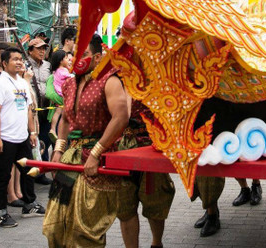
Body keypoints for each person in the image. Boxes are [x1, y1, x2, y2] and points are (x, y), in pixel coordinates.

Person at [42, 34, 130, 248]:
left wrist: (96, 153)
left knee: (86, 230)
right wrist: (58, 150)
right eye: (74, 54)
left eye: (85, 54)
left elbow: (121, 118)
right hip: (71, 156)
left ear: (98, 57)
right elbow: (64, 118)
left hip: (98, 159)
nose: (77, 59)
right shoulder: (70, 84)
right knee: (55, 225)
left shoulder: (110, 81)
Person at [0, 46, 45, 228]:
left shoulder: (22, 83)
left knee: (30, 171)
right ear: (4, 63)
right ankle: (0, 213)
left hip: (22, 137)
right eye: (15, 59)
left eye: (21, 59)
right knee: (2, 176)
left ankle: (29, 204)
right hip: (4, 137)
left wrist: (32, 132)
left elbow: (28, 109)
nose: (19, 62)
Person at [117, 99, 175, 248]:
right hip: (121, 147)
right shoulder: (113, 80)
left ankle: (157, 243)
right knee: (124, 205)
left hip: (152, 144)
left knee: (155, 199)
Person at [25, 38, 52, 172]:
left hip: (47, 108)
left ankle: (43, 168)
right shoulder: (25, 65)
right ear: (30, 51)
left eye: (43, 48)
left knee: (45, 140)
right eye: (38, 49)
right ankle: (35, 169)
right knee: (34, 140)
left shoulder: (47, 65)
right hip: (32, 110)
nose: (42, 51)